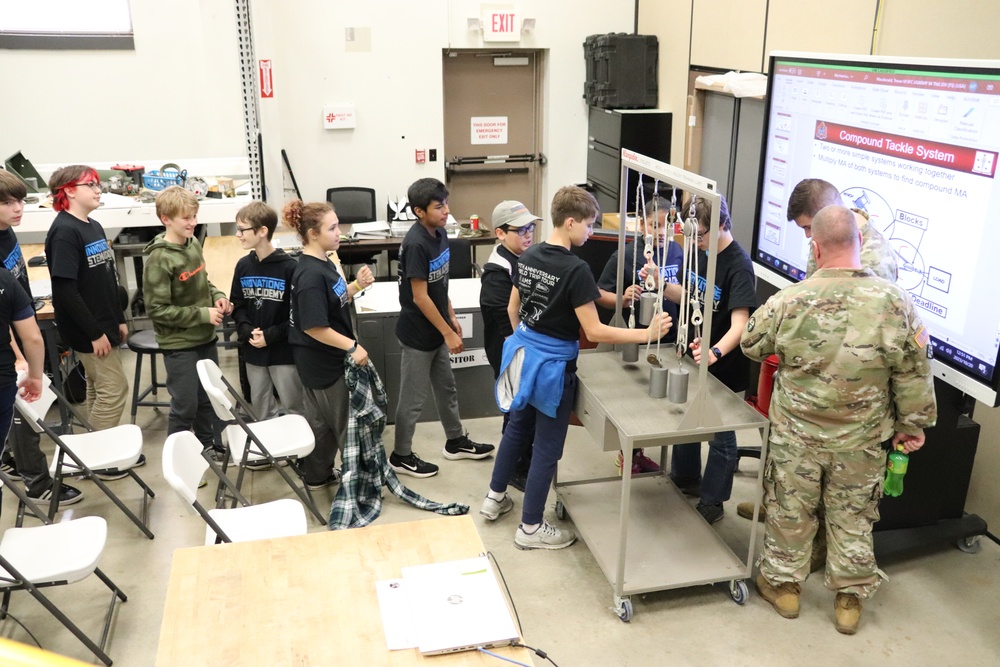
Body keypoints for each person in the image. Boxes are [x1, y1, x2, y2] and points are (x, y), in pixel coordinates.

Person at [740, 204, 936, 634]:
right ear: (860, 242)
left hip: (798, 435)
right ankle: (849, 599)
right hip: (861, 441)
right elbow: (915, 369)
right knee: (853, 516)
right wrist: (913, 425)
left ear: (815, 246)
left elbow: (752, 344)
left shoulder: (791, 299)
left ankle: (784, 588)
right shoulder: (895, 301)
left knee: (791, 510)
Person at [480, 185, 672, 550]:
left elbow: (511, 309)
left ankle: (494, 498)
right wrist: (646, 333)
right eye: (588, 225)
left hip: (522, 355)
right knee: (547, 449)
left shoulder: (529, 255)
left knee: (517, 430)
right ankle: (532, 528)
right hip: (552, 368)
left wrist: (619, 297)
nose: (591, 232)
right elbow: (594, 330)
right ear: (570, 222)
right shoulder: (576, 268)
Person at [736, 179, 899, 535]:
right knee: (792, 470)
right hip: (809, 384)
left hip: (846, 394)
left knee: (836, 486)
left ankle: (816, 545)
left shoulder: (875, 259)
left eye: (809, 228)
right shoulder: (825, 241)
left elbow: (857, 333)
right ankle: (778, 508)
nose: (809, 238)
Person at [391, 178, 494, 478]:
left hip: (437, 330)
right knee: (412, 401)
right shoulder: (415, 244)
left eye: (446, 203)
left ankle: (455, 441)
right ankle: (400, 456)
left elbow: (440, 284)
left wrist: (451, 316)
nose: (446, 210)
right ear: (419, 211)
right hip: (417, 336)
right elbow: (420, 296)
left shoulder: (439, 234)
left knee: (447, 388)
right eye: (439, 207)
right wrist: (447, 333)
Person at [666, 194, 756, 525]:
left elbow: (742, 324)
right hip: (696, 357)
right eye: (690, 235)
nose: (695, 241)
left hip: (724, 366)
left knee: (721, 435)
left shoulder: (738, 265)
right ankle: (686, 478)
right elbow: (692, 295)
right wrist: (661, 286)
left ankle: (714, 499)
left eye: (700, 234)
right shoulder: (703, 254)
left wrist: (715, 352)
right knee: (689, 420)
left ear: (720, 226)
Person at [0, 171, 82, 505]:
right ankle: (38, 484)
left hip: (23, 322)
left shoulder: (7, 232)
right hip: (11, 346)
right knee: (23, 412)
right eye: (6, 203)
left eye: (19, 200)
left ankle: (11, 460)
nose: (18, 208)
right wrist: (19, 356)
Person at [285, 199, 374, 489]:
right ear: (313, 234)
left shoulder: (324, 262)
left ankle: (317, 475)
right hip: (323, 362)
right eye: (333, 228)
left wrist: (355, 286)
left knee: (323, 424)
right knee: (339, 426)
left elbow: (331, 302)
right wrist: (351, 345)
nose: (339, 232)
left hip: (322, 359)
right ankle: (345, 481)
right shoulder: (310, 274)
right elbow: (314, 327)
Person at [597, 195, 683, 475]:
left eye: (664, 226)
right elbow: (599, 294)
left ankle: (641, 452)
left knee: (658, 399)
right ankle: (629, 454)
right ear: (641, 225)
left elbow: (685, 293)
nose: (659, 232)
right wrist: (622, 298)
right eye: (653, 225)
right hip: (636, 339)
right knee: (634, 400)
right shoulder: (627, 254)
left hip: (669, 338)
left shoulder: (677, 252)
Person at [143, 186, 231, 453]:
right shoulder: (159, 258)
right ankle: (180, 459)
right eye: (186, 218)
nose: (193, 223)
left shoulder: (192, 244)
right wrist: (204, 314)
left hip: (205, 338)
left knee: (207, 400)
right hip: (179, 344)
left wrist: (217, 295)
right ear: (165, 219)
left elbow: (203, 279)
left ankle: (208, 447)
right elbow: (157, 310)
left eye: (194, 216)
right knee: (185, 405)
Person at [44, 166, 129, 432]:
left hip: (105, 322)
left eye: (97, 184)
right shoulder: (64, 232)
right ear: (69, 190)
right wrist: (94, 333)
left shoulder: (94, 226)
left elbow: (107, 278)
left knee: (97, 388)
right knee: (114, 390)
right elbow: (65, 291)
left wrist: (120, 318)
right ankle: (101, 460)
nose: (98, 189)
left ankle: (96, 447)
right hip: (89, 330)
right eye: (90, 185)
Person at [480, 200, 540, 492]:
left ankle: (522, 462)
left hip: (519, 347)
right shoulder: (497, 269)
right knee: (515, 411)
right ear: (500, 233)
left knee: (525, 409)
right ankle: (515, 469)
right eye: (521, 230)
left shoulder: (521, 257)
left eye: (531, 228)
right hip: (509, 351)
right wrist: (517, 345)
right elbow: (497, 309)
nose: (528, 235)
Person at [230, 201, 303, 422]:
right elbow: (238, 304)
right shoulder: (243, 265)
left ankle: (299, 453)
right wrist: (247, 329)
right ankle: (272, 452)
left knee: (295, 406)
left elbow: (296, 315)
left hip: (282, 352)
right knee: (261, 406)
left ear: (262, 231)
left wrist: (270, 336)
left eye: (242, 229)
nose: (238, 234)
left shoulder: (289, 268)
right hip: (253, 350)